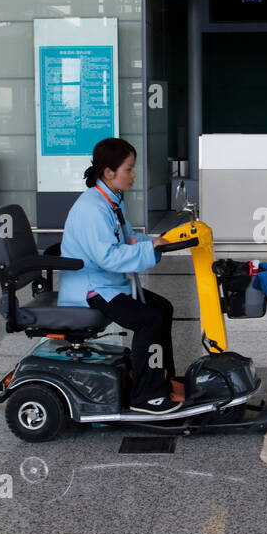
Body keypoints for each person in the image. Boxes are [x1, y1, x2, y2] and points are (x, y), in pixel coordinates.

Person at [57, 138, 184, 414]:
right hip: (91, 287)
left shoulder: (111, 200)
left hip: (108, 283)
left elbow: (126, 239)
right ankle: (145, 396)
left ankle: (162, 378)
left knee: (162, 308)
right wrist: (150, 249)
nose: (133, 175)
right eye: (129, 169)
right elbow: (109, 257)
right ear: (108, 172)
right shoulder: (92, 208)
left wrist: (156, 242)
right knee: (148, 320)